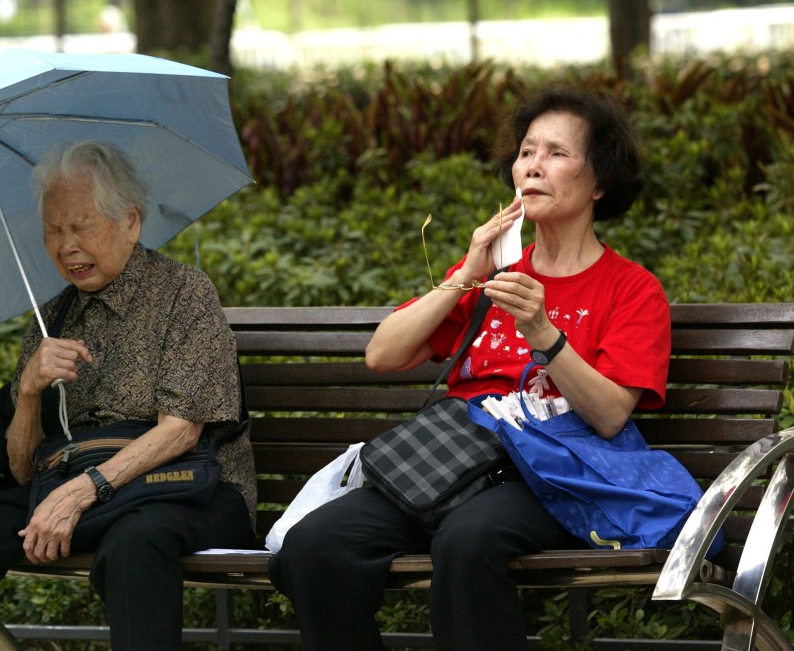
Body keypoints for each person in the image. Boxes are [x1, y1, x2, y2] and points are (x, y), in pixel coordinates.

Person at [267, 87, 671, 650]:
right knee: (315, 544)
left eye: (556, 153)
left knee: (466, 542)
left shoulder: (631, 289)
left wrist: (545, 336)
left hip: (549, 471)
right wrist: (468, 270)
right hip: (453, 460)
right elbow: (382, 354)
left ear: (599, 182)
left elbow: (608, 417)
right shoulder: (490, 275)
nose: (533, 166)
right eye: (527, 151)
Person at [0, 140, 257, 650]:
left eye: (82, 226)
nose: (65, 246)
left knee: (134, 543)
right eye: (53, 231)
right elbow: (21, 471)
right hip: (81, 487)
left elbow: (182, 430)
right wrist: (30, 392)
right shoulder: (52, 318)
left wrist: (83, 491)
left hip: (189, 487)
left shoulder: (183, 295)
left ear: (130, 222)